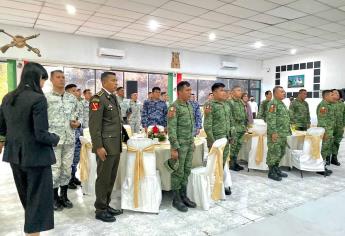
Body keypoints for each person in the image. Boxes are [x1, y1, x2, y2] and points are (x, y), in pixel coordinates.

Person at [0, 62, 60, 235]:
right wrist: (55, 138)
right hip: (36, 158)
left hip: (15, 157)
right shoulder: (38, 98)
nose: (43, 84)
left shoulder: (8, 97)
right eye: (43, 79)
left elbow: (2, 128)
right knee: (38, 203)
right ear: (36, 77)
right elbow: (40, 134)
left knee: (27, 199)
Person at [89, 72, 123, 222]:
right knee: (103, 178)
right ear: (103, 82)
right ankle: (100, 209)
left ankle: (106, 204)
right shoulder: (98, 98)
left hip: (115, 145)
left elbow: (116, 123)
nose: (116, 83)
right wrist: (98, 146)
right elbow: (94, 125)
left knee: (111, 177)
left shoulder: (112, 97)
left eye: (116, 80)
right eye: (113, 80)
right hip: (105, 146)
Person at [46, 70, 81, 211]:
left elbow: (78, 115)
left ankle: (64, 195)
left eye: (63, 77)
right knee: (54, 170)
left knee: (67, 169)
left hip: (70, 139)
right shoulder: (46, 98)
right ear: (51, 79)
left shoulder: (72, 98)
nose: (61, 79)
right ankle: (53, 198)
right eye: (58, 77)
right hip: (54, 140)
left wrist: (77, 123)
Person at [167, 81, 196, 212]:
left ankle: (183, 195)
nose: (190, 92)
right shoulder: (174, 107)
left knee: (186, 170)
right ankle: (176, 198)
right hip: (179, 146)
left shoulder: (189, 105)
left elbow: (191, 126)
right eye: (187, 90)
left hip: (189, 144)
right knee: (178, 172)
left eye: (190, 90)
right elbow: (171, 129)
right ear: (179, 92)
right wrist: (174, 148)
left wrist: (193, 141)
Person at [204, 83, 232, 195]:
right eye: (221, 90)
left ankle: (223, 184)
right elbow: (207, 125)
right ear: (214, 92)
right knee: (216, 163)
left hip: (226, 139)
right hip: (216, 141)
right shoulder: (209, 105)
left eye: (224, 90)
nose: (224, 92)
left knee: (224, 163)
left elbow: (230, 121)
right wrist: (213, 141)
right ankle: (215, 185)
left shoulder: (226, 105)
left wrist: (231, 136)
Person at [266, 86, 290, 181]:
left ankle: (276, 168)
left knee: (281, 152)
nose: (284, 93)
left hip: (283, 133)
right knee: (274, 152)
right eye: (281, 92)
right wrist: (273, 132)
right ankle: (271, 171)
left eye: (284, 92)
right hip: (276, 133)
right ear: (275, 93)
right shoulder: (273, 104)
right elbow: (271, 119)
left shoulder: (281, 103)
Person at [64, 84, 84, 189]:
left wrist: (80, 125)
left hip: (77, 135)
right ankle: (67, 180)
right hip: (67, 137)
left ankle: (72, 177)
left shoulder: (79, 104)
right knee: (68, 160)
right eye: (73, 91)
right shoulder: (63, 104)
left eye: (77, 90)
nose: (77, 92)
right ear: (67, 92)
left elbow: (82, 118)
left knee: (75, 159)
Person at [228, 86, 247, 171]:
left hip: (241, 127)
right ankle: (231, 164)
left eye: (240, 90)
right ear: (233, 92)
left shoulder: (241, 102)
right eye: (238, 90)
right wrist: (231, 130)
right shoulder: (230, 102)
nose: (240, 92)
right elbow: (229, 117)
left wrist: (245, 126)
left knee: (238, 146)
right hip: (234, 127)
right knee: (233, 146)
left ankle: (235, 162)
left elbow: (244, 115)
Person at [316, 90, 335, 175]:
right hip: (325, 132)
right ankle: (319, 168)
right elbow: (322, 121)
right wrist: (325, 133)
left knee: (326, 150)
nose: (333, 96)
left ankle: (323, 166)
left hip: (329, 131)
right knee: (323, 150)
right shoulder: (323, 106)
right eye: (332, 95)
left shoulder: (329, 105)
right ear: (326, 96)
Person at [331, 89, 344, 166]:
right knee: (328, 142)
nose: (336, 94)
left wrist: (343, 125)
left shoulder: (342, 104)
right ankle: (327, 158)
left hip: (339, 127)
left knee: (336, 143)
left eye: (337, 93)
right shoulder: (328, 103)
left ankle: (334, 158)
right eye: (334, 93)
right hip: (330, 127)